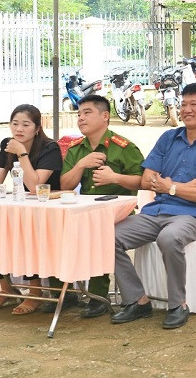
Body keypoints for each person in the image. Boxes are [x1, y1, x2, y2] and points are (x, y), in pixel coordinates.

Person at [111, 83, 196, 330]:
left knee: (169, 237)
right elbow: (147, 180)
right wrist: (186, 185)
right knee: (109, 236)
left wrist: (171, 186)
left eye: (193, 104)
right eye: (183, 104)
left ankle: (178, 305)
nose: (186, 109)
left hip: (190, 216)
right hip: (155, 212)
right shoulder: (168, 138)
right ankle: (137, 300)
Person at [0, 104, 62, 315]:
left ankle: (35, 291)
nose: (19, 129)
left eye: (25, 124)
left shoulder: (50, 148)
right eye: (14, 124)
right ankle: (6, 288)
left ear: (37, 128)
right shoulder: (7, 144)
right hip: (21, 205)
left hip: (47, 209)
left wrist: (22, 154)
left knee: (26, 233)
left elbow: (35, 185)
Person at [59, 95, 144, 318]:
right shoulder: (77, 149)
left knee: (98, 232)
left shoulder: (123, 147)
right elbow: (64, 186)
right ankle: (61, 292)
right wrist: (80, 166)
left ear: (105, 116)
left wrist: (114, 178)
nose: (81, 118)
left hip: (119, 212)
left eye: (87, 113)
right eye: (78, 114)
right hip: (86, 210)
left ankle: (99, 296)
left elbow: (143, 181)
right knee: (56, 227)